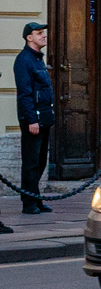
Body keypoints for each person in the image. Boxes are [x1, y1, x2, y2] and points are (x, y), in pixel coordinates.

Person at [14, 22, 54, 215]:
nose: (43, 36)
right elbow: (25, 93)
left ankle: (35, 199)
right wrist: (31, 120)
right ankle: (28, 203)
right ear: (29, 37)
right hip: (33, 119)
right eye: (39, 33)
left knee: (40, 162)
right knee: (31, 162)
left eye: (43, 33)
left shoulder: (38, 59)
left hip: (44, 118)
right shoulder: (24, 60)